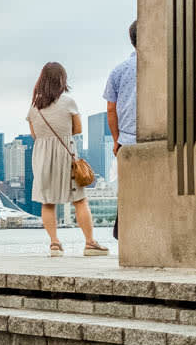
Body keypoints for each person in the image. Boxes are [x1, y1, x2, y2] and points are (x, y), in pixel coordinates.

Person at [29, 62, 107, 257]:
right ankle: (90, 243)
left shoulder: (34, 106)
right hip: (65, 156)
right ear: (62, 80)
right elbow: (78, 129)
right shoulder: (68, 102)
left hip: (41, 158)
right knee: (79, 200)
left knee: (47, 202)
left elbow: (34, 134)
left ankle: (54, 244)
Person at [101, 21, 138, 242]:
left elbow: (111, 109)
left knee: (127, 191)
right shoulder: (164, 65)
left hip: (127, 140)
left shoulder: (119, 70)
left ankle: (124, 234)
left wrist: (116, 140)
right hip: (158, 138)